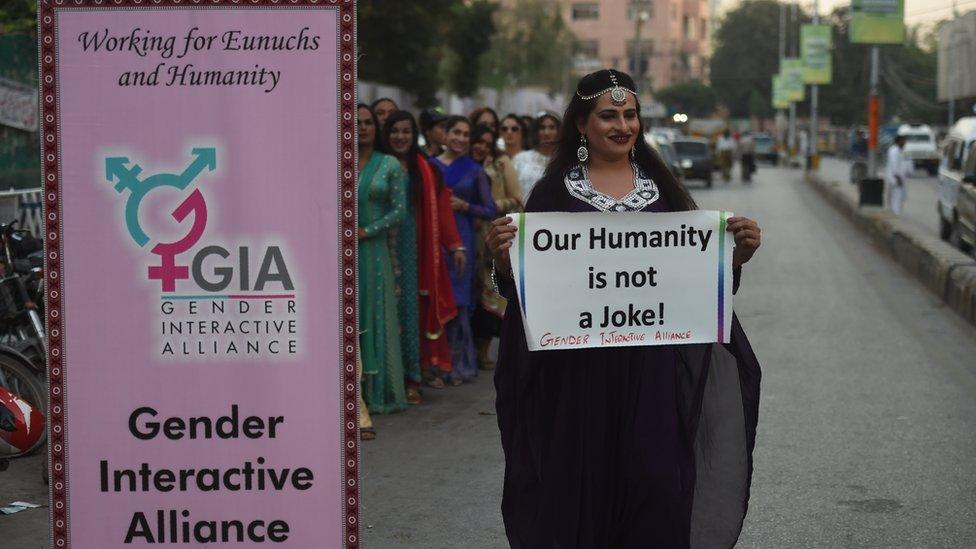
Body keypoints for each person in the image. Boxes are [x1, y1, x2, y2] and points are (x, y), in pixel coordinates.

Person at [484, 69, 763, 548]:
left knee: (655, 484)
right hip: (577, 378)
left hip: (652, 374)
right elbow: (530, 296)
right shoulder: (554, 195)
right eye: (608, 115)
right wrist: (504, 262)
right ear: (582, 125)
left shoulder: (664, 191)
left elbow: (690, 283)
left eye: (630, 114)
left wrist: (734, 257)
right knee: (581, 487)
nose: (622, 125)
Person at [381, 110, 468, 393]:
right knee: (384, 310)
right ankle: (383, 379)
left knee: (412, 312)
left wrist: (455, 245)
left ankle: (412, 378)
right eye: (395, 131)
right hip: (381, 245)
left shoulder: (426, 170)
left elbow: (442, 209)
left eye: (406, 131)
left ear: (414, 134)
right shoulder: (376, 165)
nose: (400, 137)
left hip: (416, 251)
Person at [429, 116, 498, 385]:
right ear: (444, 135)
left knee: (458, 303)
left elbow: (491, 209)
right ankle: (434, 365)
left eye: (465, 134)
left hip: (462, 241)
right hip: (434, 241)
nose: (460, 138)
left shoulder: (475, 170)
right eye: (455, 132)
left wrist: (465, 207)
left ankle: (457, 365)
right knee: (435, 299)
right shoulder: (429, 166)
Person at [356, 104, 407, 419]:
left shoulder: (389, 164)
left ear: (377, 128)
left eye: (368, 123)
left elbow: (399, 211)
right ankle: (352, 391)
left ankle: (378, 392)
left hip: (373, 252)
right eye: (355, 122)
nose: (362, 128)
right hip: (342, 252)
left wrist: (366, 230)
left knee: (375, 314)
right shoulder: (338, 161)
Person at [469, 123, 522, 370]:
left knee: (490, 291)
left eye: (486, 143)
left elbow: (517, 199)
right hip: (467, 234)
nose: (480, 147)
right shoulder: (463, 162)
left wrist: (492, 205)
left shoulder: (501, 164)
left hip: (491, 233)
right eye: (477, 141)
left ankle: (483, 350)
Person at [513, 112, 560, 201]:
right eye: (542, 128)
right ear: (536, 132)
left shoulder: (566, 160)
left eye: (552, 127)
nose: (547, 133)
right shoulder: (521, 158)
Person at [885, 134, 911, 214]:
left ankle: (895, 211)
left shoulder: (900, 150)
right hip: (895, 178)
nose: (904, 143)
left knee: (900, 197)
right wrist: (898, 177)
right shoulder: (894, 151)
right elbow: (894, 165)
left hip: (899, 178)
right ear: (898, 141)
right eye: (903, 141)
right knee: (896, 197)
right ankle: (895, 213)